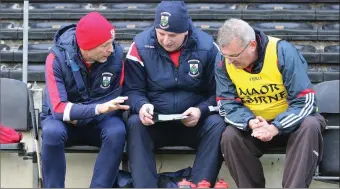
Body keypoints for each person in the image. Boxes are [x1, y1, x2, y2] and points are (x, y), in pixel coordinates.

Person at [123, 1, 226, 187]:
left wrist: (201, 110)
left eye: (172, 35)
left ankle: (199, 185)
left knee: (216, 124)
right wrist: (141, 105)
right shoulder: (139, 46)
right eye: (161, 33)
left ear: (185, 30)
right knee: (134, 123)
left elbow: (218, 93)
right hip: (155, 123)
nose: (166, 40)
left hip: (193, 123)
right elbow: (132, 90)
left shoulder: (208, 47)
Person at [215, 18, 326, 188]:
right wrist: (250, 122)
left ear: (252, 45)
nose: (229, 61)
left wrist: (276, 127)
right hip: (256, 125)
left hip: (291, 123)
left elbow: (306, 101)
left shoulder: (282, 52)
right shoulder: (223, 60)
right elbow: (226, 104)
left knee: (310, 124)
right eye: (226, 56)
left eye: (234, 56)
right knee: (230, 136)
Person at [40, 12, 129, 188]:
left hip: (98, 121)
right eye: (105, 45)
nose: (111, 49)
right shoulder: (56, 58)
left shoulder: (117, 56)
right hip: (65, 123)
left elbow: (117, 98)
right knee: (51, 132)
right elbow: (58, 108)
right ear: (86, 46)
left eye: (111, 43)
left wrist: (78, 113)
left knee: (117, 131)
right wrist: (97, 109)